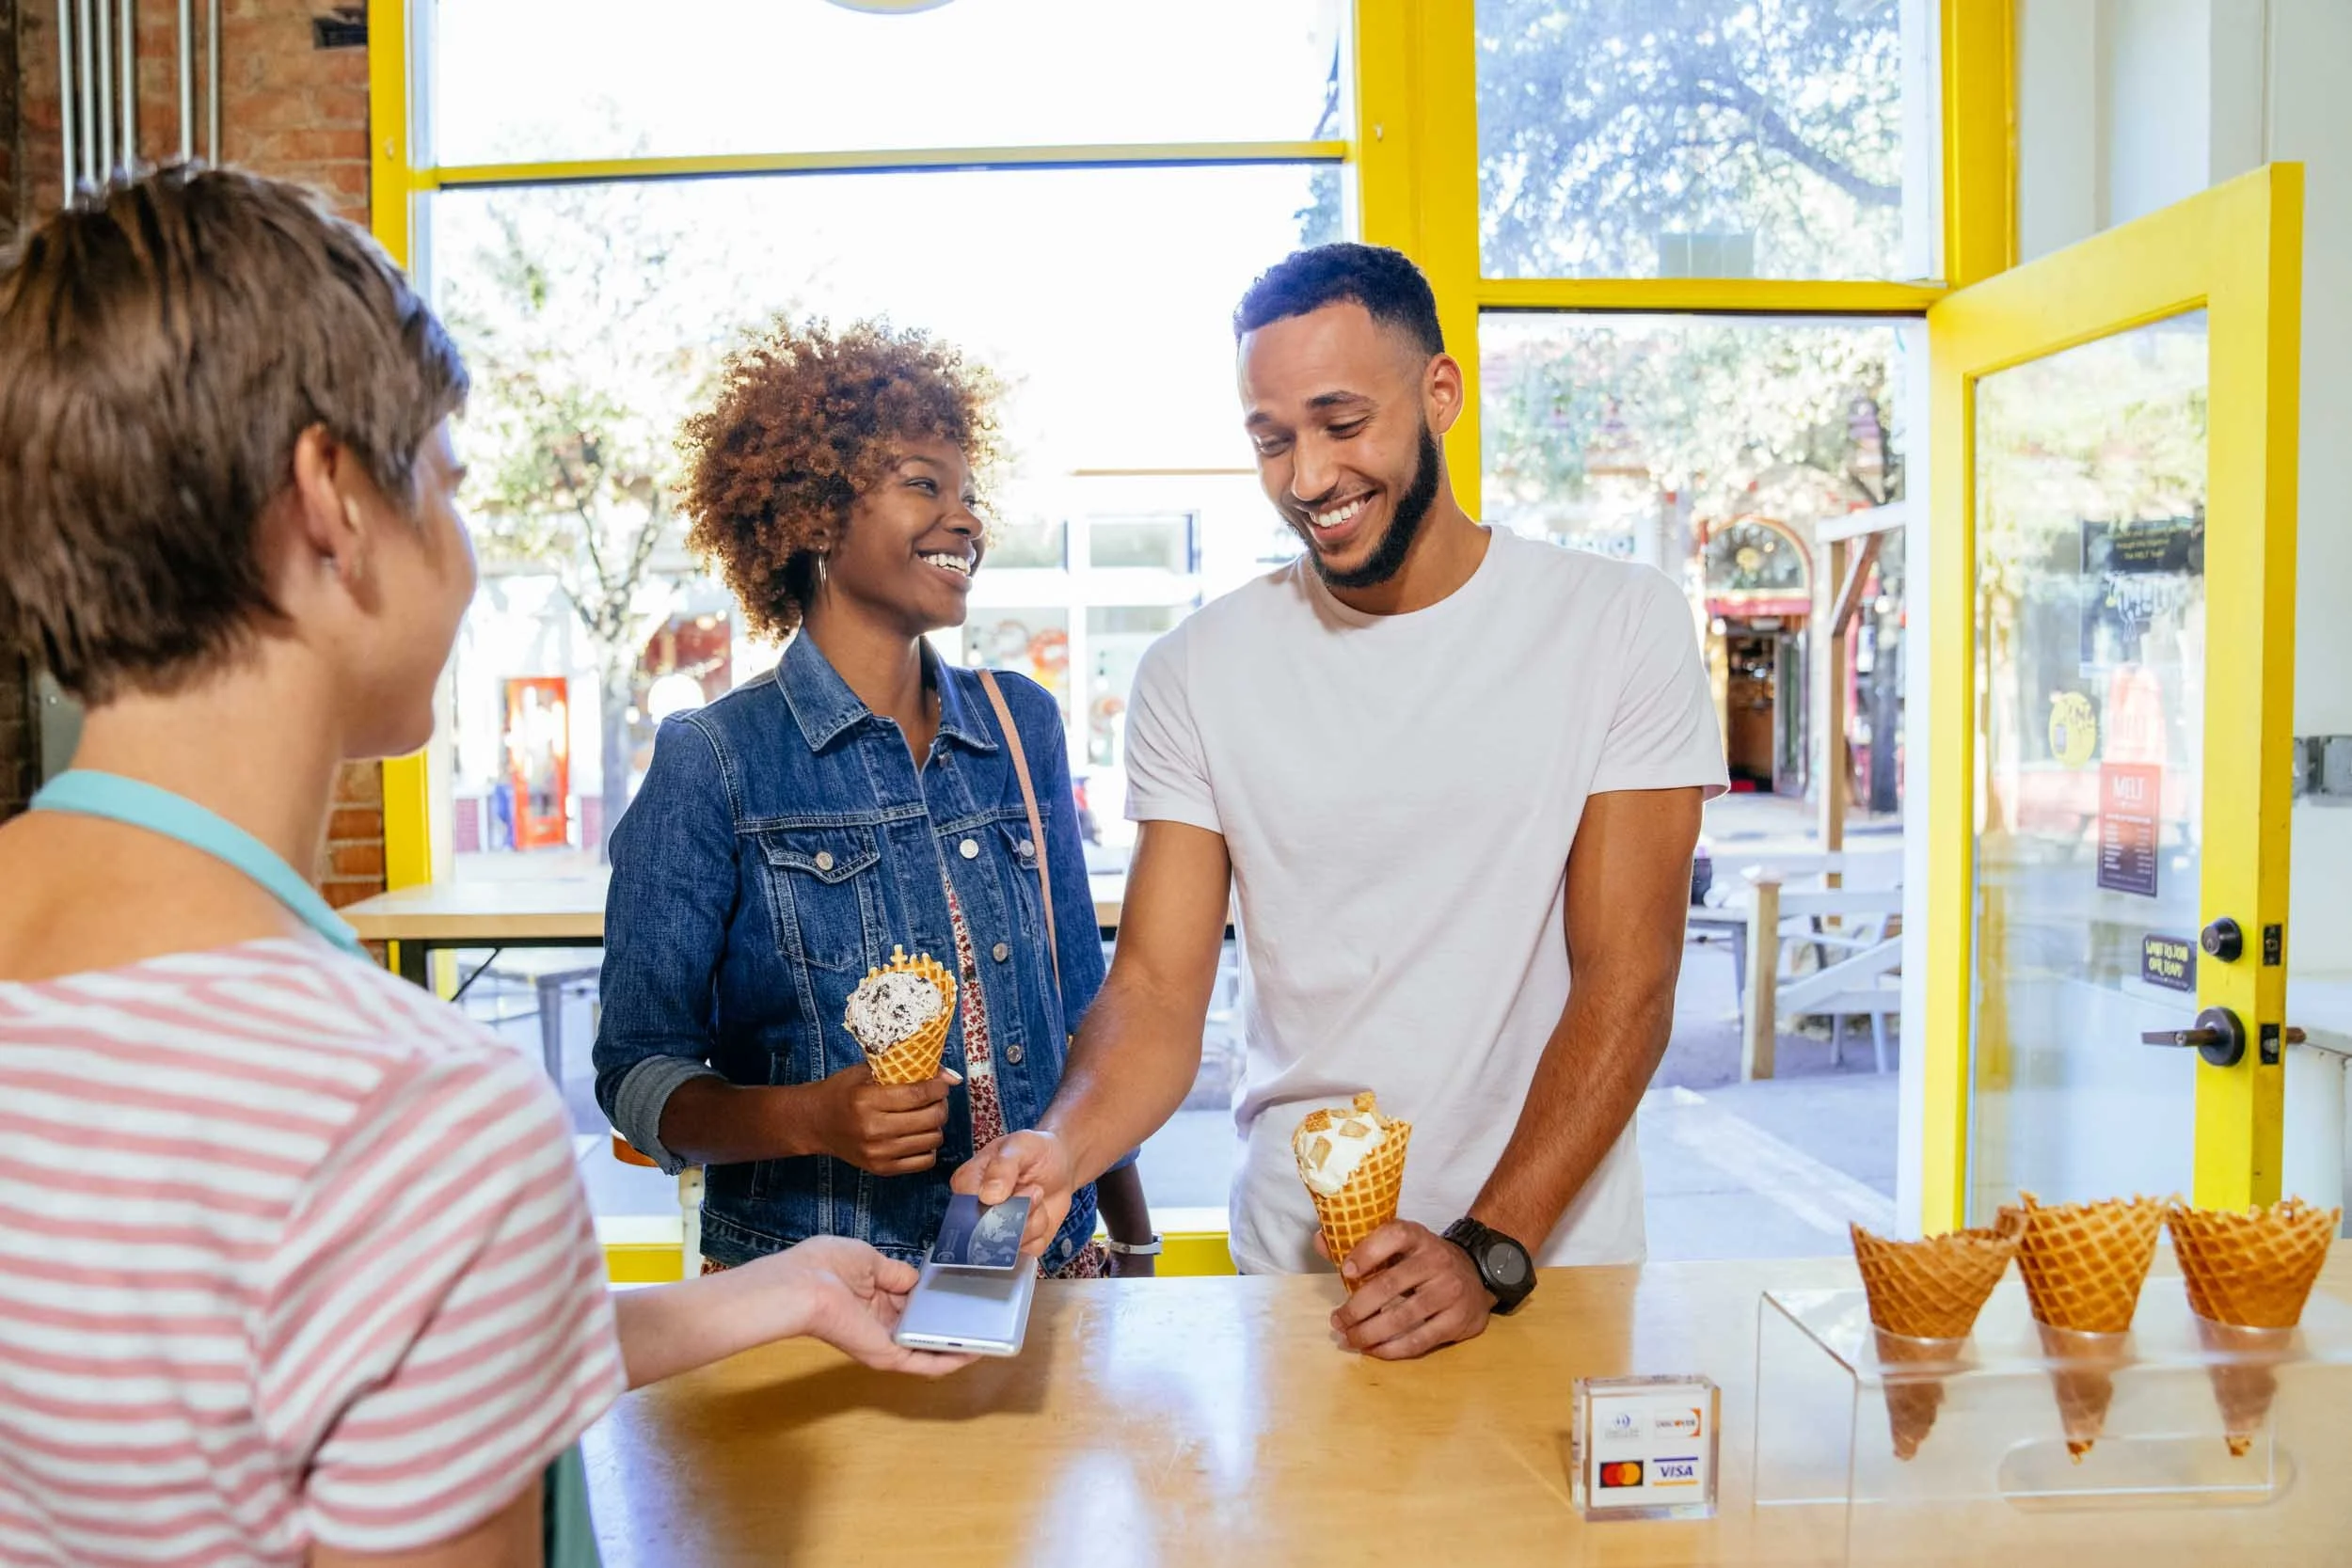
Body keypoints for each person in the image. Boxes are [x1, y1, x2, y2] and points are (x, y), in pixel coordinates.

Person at [0, 166, 970, 1568]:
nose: (461, 553)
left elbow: (282, 1377)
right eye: (446, 488)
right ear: (334, 498)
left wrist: (768, 1290)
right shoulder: (410, 1118)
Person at [959, 243, 1726, 1358]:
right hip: (1304, 1287)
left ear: (1440, 393)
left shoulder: (1616, 625)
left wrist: (1488, 1246)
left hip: (1545, 1261)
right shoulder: (1195, 670)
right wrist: (1061, 1145)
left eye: (1340, 421)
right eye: (1272, 439)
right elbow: (1161, 992)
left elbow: (1630, 976)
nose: (1307, 475)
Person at [592, 320, 1156, 1280]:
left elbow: (1081, 1020)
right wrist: (808, 1115)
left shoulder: (1020, 726)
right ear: (813, 515)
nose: (966, 518)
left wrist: (1131, 1241)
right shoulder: (715, 760)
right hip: (809, 1294)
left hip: (1041, 1276)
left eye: (969, 494)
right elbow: (637, 1075)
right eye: (923, 484)